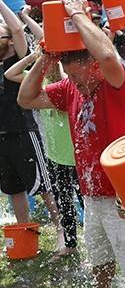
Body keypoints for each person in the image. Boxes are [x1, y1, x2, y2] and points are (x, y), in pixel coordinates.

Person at [17, 0, 125, 288]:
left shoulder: (119, 83)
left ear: (94, 65)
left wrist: (77, 15)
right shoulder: (70, 88)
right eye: (70, 76)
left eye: (79, 75)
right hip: (92, 194)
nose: (76, 83)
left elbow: (109, 57)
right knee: (100, 259)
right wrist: (47, 56)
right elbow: (26, 98)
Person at [5, 47, 84, 259]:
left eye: (48, 64)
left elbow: (65, 75)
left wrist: (54, 57)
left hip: (76, 157)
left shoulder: (68, 86)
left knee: (84, 201)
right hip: (55, 157)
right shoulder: (41, 89)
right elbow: (10, 74)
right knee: (64, 202)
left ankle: (99, 248)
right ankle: (70, 245)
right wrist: (35, 57)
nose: (45, 68)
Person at [0, 0, 61, 238]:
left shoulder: (19, 57)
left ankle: (61, 230)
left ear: (12, 42)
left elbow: (15, 29)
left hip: (23, 130)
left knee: (43, 185)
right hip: (2, 135)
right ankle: (24, 231)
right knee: (12, 188)